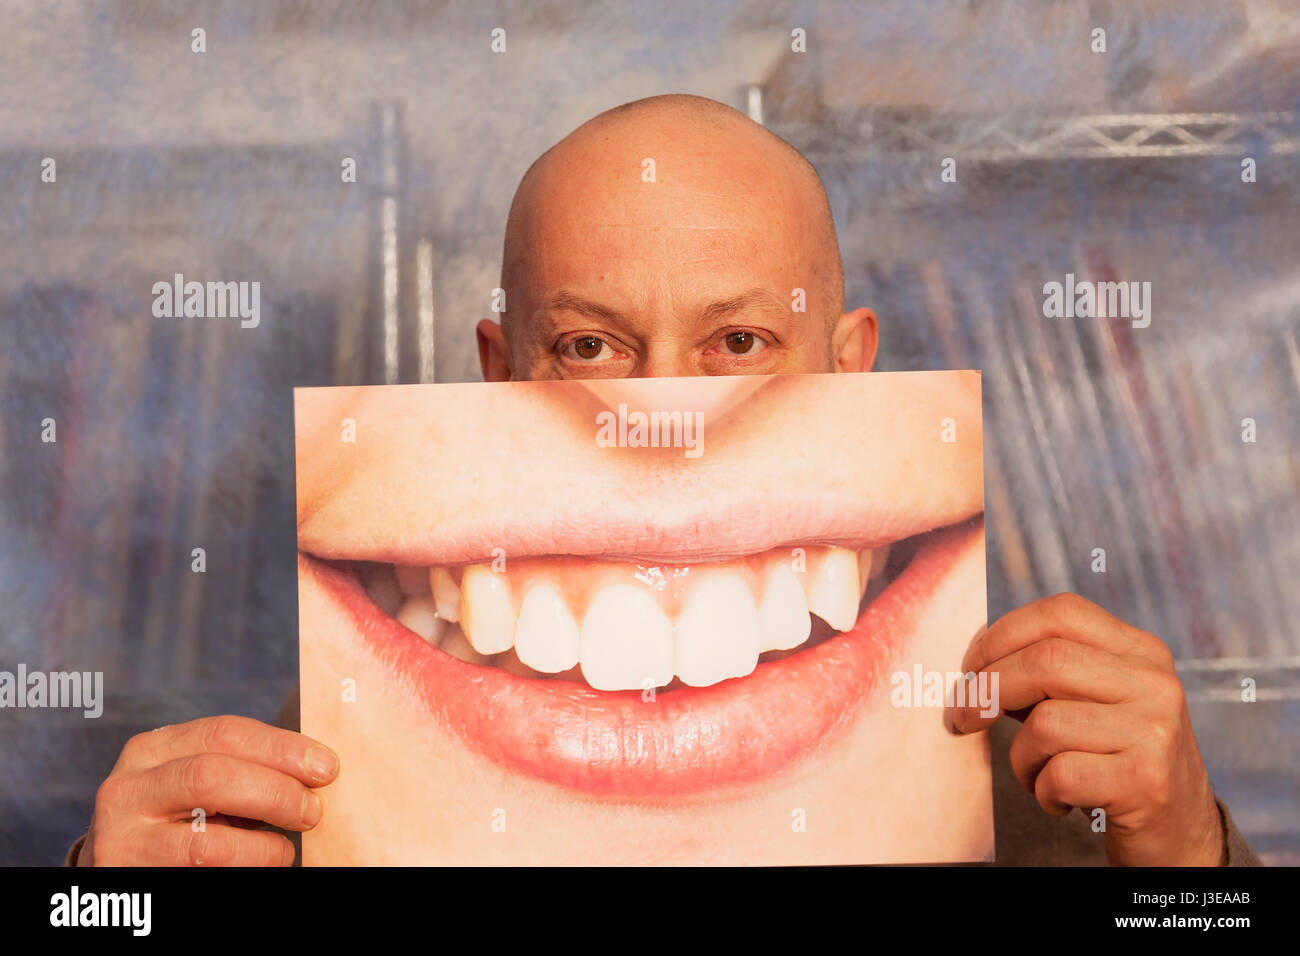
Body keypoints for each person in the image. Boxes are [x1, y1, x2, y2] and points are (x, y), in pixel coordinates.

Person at [69, 94, 1259, 866]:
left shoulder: (1051, 796)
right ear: (498, 373)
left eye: (739, 341)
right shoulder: (314, 788)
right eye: (587, 345)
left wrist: (1193, 863)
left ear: (852, 370)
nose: (659, 423)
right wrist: (99, 904)